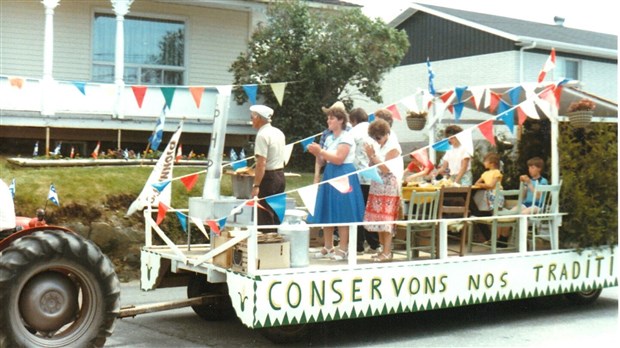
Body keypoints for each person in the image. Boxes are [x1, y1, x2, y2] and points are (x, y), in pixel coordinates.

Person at [307, 104, 365, 261]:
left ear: (340, 120)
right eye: (328, 118)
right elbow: (324, 159)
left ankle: (343, 248)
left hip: (343, 174)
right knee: (327, 209)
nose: (328, 121)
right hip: (330, 173)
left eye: (331, 118)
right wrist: (317, 154)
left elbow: (339, 159)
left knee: (342, 212)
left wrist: (321, 152)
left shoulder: (346, 137)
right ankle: (328, 245)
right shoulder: (329, 137)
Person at [363, 118, 404, 262]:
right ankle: (382, 250)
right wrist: (371, 156)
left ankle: (387, 251)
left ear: (386, 133)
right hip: (378, 185)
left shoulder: (393, 147)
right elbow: (374, 164)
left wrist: (373, 156)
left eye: (378, 137)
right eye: (374, 138)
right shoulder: (380, 146)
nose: (377, 140)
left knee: (386, 220)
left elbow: (386, 168)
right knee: (378, 220)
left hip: (389, 186)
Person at [349, 107, 381, 255]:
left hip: (358, 176)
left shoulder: (352, 133)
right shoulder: (373, 131)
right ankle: (374, 244)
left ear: (353, 120)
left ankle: (358, 245)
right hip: (374, 175)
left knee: (358, 211)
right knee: (371, 211)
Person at [249, 104, 286, 232]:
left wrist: (256, 185)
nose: (251, 120)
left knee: (264, 213)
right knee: (276, 212)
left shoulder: (262, 135)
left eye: (252, 117)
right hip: (280, 174)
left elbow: (261, 163)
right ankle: (276, 243)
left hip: (268, 177)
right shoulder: (278, 132)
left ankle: (266, 246)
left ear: (258, 118)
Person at [471, 153, 505, 244]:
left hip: (496, 194)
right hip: (489, 195)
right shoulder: (485, 173)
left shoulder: (496, 172)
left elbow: (491, 185)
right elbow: (476, 183)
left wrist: (483, 185)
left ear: (492, 163)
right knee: (493, 215)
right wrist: (483, 185)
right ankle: (494, 238)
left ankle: (498, 238)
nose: (484, 163)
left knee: (497, 216)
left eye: (485, 161)